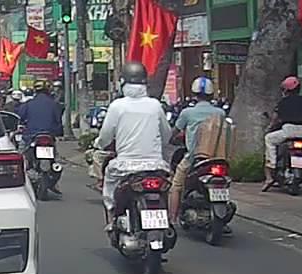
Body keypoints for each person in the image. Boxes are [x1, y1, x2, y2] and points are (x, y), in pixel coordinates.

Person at [93, 61, 172, 228]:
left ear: (123, 83)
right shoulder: (155, 105)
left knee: (109, 184)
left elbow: (106, 136)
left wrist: (99, 144)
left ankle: (112, 219)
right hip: (156, 166)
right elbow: (167, 134)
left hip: (125, 166)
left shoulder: (117, 106)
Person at [169, 76, 228, 223]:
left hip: (193, 158)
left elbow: (174, 131)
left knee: (176, 185)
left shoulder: (187, 113)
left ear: (194, 94)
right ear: (211, 94)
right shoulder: (220, 113)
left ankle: (172, 219)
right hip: (217, 159)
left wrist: (170, 138)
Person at [263, 76, 302, 190]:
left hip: (287, 131)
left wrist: (269, 127)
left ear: (286, 90)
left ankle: (272, 165)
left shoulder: (283, 102)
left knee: (268, 139)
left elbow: (275, 119)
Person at [17, 81, 65, 196]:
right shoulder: (54, 104)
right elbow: (58, 121)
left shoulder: (28, 104)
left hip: (31, 137)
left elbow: (20, 117)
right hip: (49, 136)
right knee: (56, 159)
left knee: (20, 158)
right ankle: (53, 181)